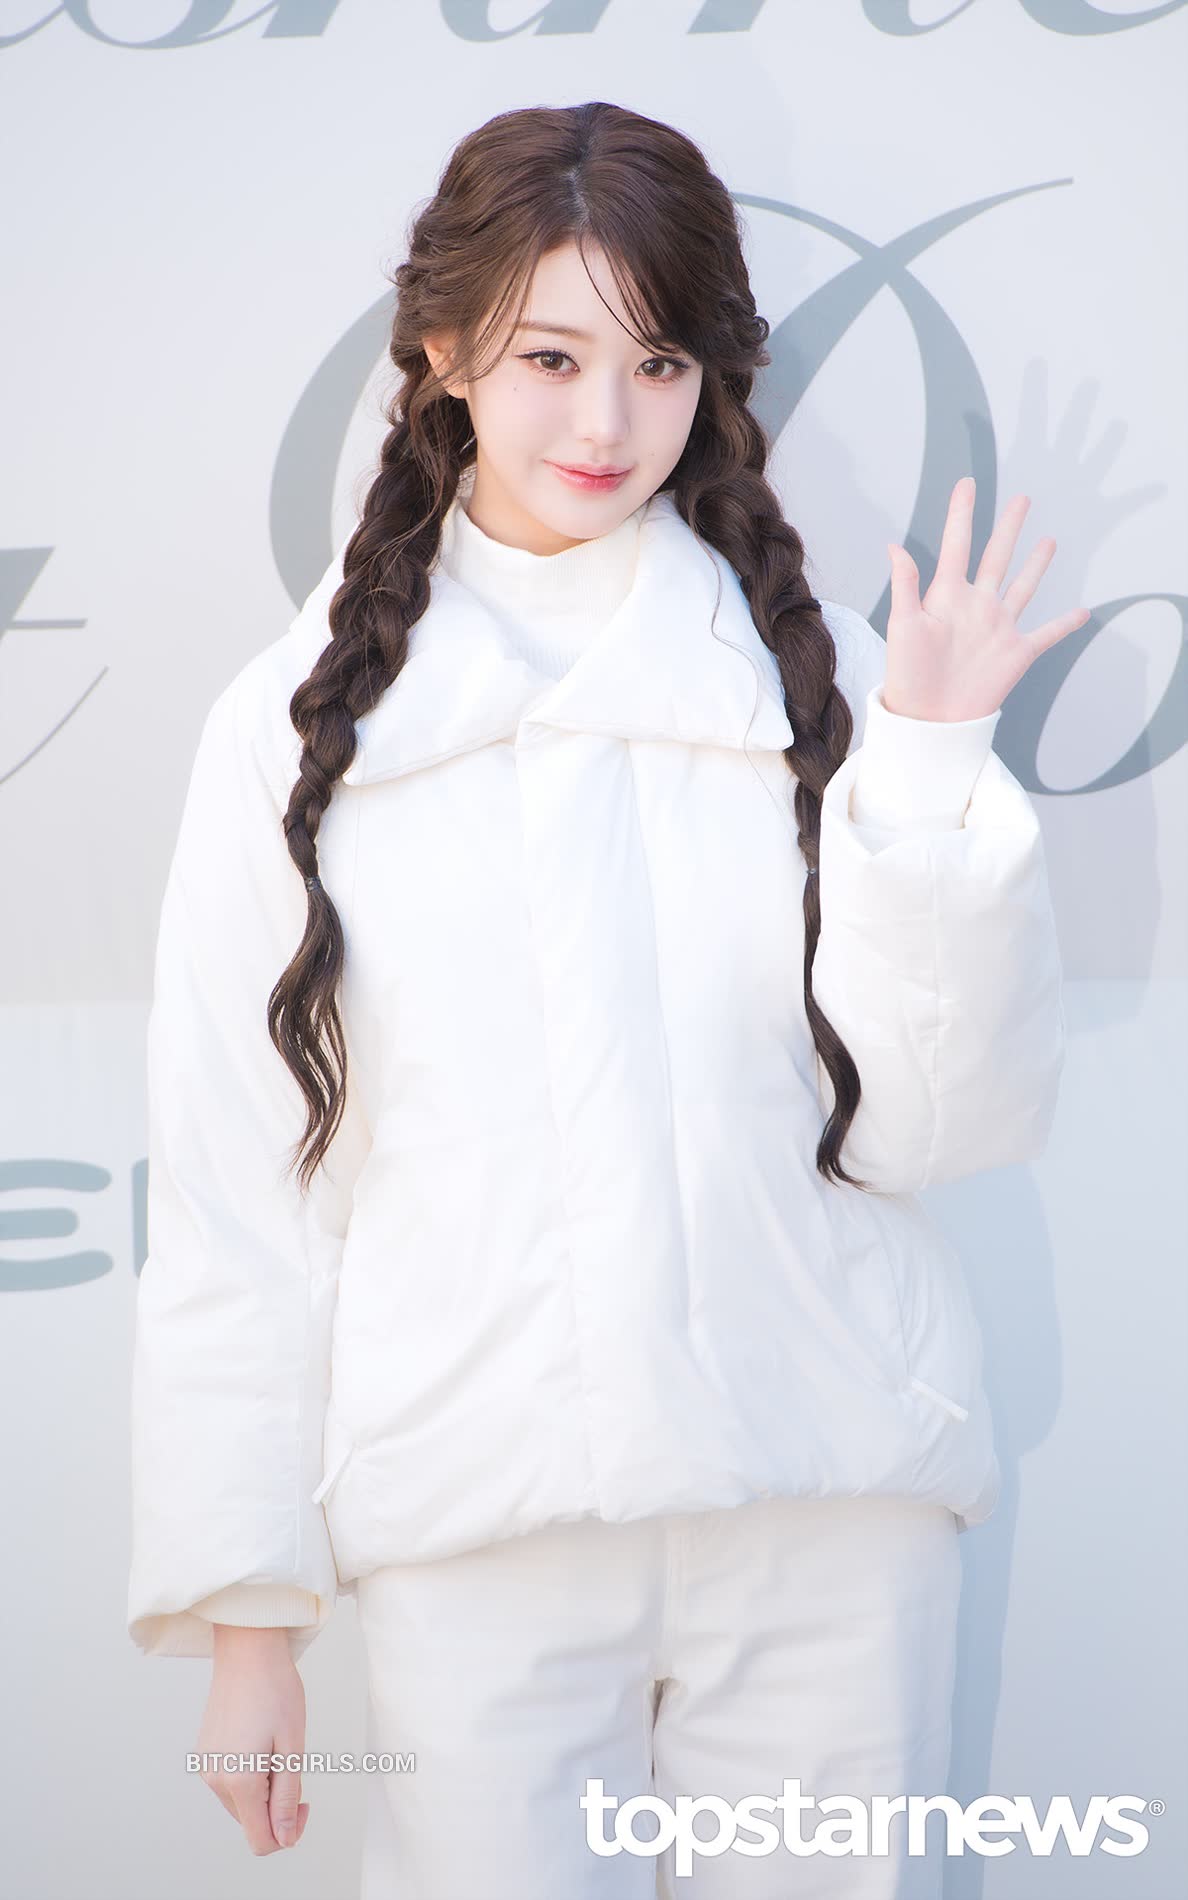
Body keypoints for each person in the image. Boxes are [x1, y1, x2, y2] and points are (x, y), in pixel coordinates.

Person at [126, 101, 1081, 1896]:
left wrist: (935, 773)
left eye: (658, 364)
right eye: (551, 357)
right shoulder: (292, 729)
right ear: (442, 349)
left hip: (823, 1504)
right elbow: (240, 1189)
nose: (607, 425)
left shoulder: (823, 683)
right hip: (481, 1531)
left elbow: (946, 1123)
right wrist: (250, 1621)